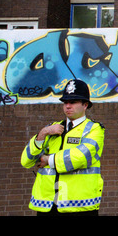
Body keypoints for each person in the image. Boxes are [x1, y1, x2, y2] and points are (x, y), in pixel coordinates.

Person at [21, 79, 105, 216]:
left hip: (79, 205)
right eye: (65, 102)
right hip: (48, 205)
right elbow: (26, 161)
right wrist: (42, 133)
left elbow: (80, 156)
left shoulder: (95, 130)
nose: (68, 106)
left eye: (73, 102)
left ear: (85, 105)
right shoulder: (52, 129)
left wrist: (48, 160)